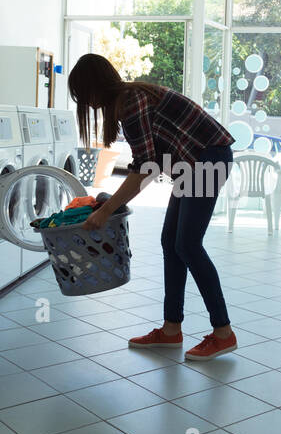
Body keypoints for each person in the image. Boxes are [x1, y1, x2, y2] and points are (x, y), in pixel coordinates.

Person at [68, 53, 238, 360]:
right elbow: (149, 163)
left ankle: (223, 333)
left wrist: (106, 211)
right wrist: (109, 203)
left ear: (96, 86)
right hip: (193, 163)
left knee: (187, 244)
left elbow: (145, 169)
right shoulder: (127, 101)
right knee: (171, 243)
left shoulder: (132, 101)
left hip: (208, 159)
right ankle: (171, 329)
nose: (86, 103)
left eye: (83, 94)